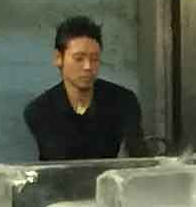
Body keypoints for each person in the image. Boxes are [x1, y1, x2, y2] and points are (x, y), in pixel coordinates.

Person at [23, 15, 145, 162]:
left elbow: (138, 157)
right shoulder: (40, 111)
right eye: (79, 59)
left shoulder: (123, 101)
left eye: (94, 59)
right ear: (58, 58)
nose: (88, 67)